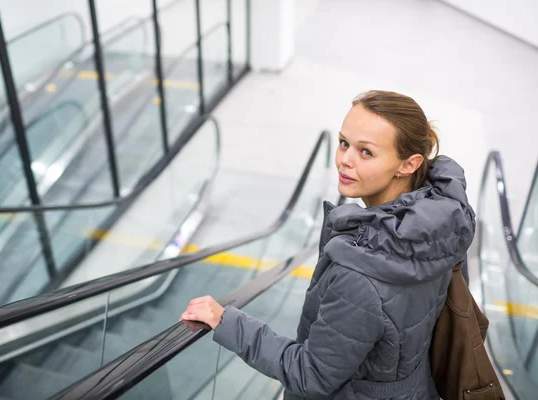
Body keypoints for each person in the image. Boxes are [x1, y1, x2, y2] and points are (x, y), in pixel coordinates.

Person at [180, 90, 476, 399]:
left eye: (366, 153)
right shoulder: (440, 225)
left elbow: (310, 376)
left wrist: (226, 320)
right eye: (344, 143)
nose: (345, 160)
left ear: (408, 164)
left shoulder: (360, 274)